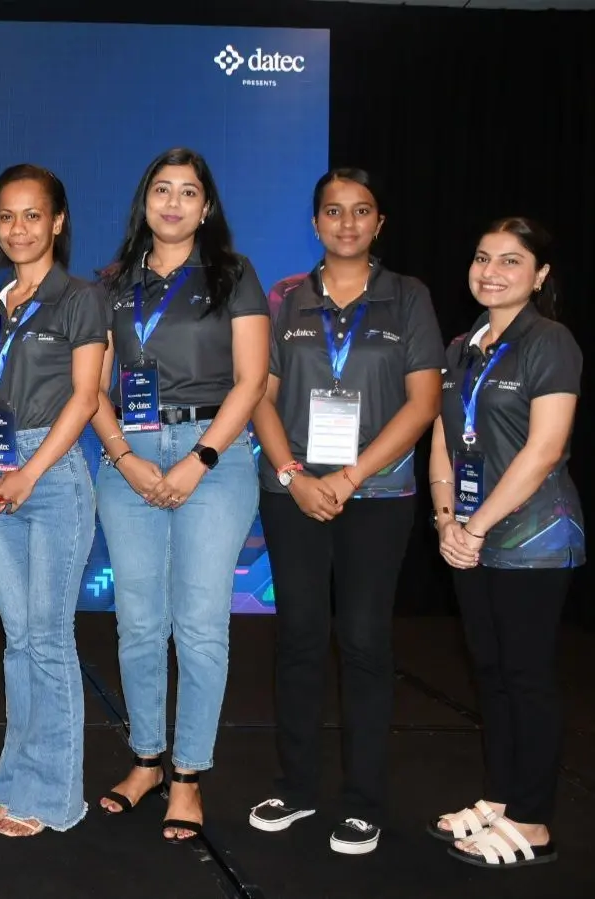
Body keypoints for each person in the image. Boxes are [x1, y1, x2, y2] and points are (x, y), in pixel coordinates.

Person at [248, 168, 444, 855]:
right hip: (293, 492)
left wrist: (354, 474)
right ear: (315, 223)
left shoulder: (407, 297)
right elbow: (259, 394)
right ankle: (296, 787)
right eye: (333, 211)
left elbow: (423, 402)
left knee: (364, 639)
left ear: (380, 222)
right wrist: (295, 473)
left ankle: (363, 801)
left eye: (362, 211)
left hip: (379, 494)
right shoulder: (286, 298)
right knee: (300, 636)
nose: (347, 223)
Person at [89, 149, 268, 843]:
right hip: (129, 457)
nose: (172, 202)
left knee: (198, 625)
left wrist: (200, 458)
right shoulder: (111, 283)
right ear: (145, 201)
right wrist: (124, 456)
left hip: (213, 459)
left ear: (206, 207)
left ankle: (188, 774)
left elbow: (251, 380)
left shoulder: (232, 274)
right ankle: (145, 759)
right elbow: (93, 386)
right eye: (161, 189)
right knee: (138, 623)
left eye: (188, 192)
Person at [428, 217, 581, 869]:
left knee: (526, 676)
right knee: (488, 671)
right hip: (469, 534)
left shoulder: (551, 341)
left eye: (511, 261)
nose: (491, 270)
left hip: (533, 537)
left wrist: (477, 526)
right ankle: (499, 798)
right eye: (483, 256)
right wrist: (444, 521)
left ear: (539, 275)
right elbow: (442, 434)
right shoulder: (464, 343)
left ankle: (534, 819)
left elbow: (544, 449)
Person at [0, 164, 107, 838]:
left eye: (31, 215)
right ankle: (15, 782)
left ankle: (55, 799)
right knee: (17, 640)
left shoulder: (81, 298)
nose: (18, 228)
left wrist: (29, 468)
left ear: (57, 221)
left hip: (51, 475)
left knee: (48, 639)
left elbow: (84, 398)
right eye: (6, 216)